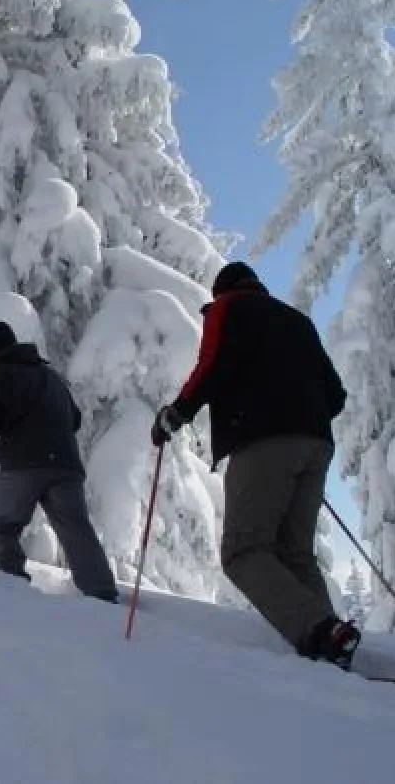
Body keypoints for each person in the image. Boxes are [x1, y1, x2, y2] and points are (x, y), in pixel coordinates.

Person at [151, 261, 357, 667]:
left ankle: (319, 631)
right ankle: (332, 644)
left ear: (222, 291)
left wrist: (175, 414)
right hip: (315, 442)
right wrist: (302, 420)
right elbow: (335, 393)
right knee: (295, 552)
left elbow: (210, 367)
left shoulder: (228, 310)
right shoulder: (297, 322)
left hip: (262, 440)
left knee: (243, 551)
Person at [0, 322, 117, 602]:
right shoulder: (52, 377)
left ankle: (11, 588)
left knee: (2, 527)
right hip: (65, 465)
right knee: (76, 528)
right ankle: (102, 593)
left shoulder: (0, 373)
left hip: (23, 465)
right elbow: (75, 419)